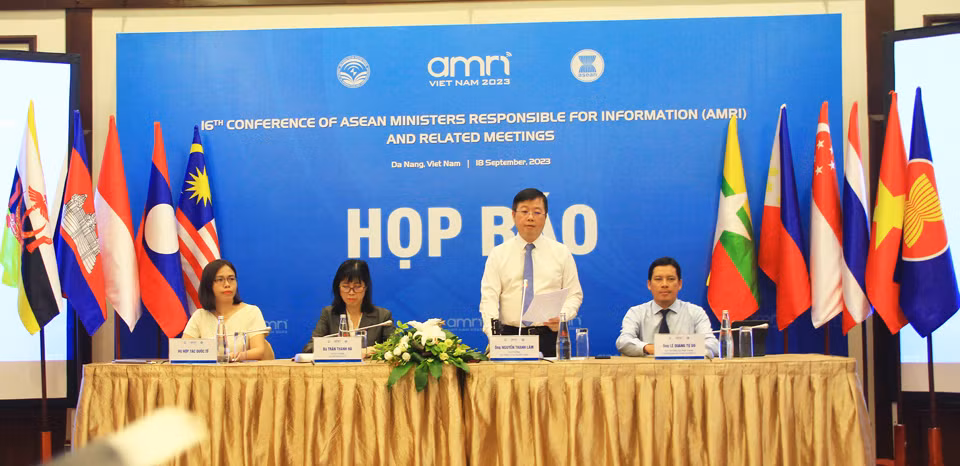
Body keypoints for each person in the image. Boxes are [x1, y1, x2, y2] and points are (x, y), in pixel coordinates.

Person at [479, 188, 583, 357]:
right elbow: (488, 299)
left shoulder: (561, 253)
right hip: (509, 338)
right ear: (513, 215)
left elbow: (574, 295)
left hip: (549, 337)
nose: (530, 217)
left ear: (545, 217)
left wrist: (562, 316)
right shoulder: (498, 254)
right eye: (524, 211)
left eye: (537, 212)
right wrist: (494, 338)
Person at [616, 256, 719, 358]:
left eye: (670, 279)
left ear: (680, 284)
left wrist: (676, 349)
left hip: (685, 368)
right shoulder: (636, 313)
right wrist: (650, 348)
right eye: (658, 279)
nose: (664, 284)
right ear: (649, 284)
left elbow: (712, 345)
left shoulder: (696, 312)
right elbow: (623, 341)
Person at [183, 259, 269, 361]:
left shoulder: (251, 312)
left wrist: (237, 356)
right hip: (208, 370)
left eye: (231, 279)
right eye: (220, 280)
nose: (227, 284)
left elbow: (259, 351)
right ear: (208, 285)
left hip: (243, 369)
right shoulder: (200, 316)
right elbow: (183, 350)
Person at [302, 259, 393, 355]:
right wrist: (340, 349)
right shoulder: (328, 314)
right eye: (345, 287)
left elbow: (393, 347)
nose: (351, 292)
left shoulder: (383, 317)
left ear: (366, 287)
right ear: (338, 287)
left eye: (357, 287)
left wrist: (370, 351)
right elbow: (309, 348)